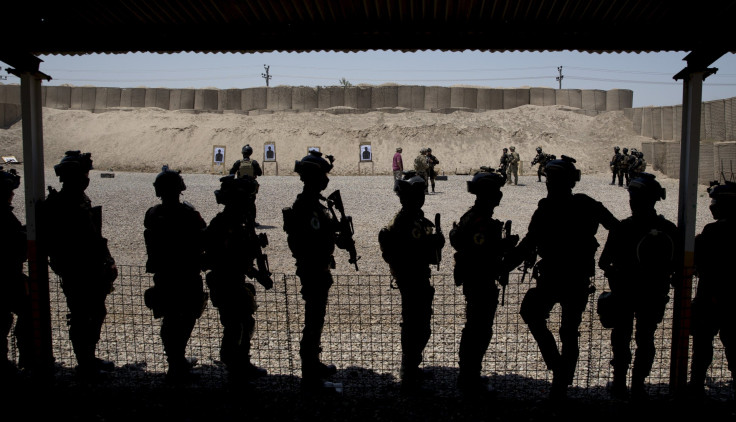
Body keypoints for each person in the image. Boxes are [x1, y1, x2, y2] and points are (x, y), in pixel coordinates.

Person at [505, 155, 618, 400]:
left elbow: (528, 244)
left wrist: (504, 265)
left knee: (537, 316)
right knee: (568, 330)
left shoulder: (547, 208)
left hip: (555, 277)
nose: (548, 184)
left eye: (551, 180)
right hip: (575, 278)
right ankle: (561, 377)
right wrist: (605, 259)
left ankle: (559, 372)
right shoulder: (586, 204)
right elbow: (616, 228)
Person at [598, 173, 679, 400]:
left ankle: (620, 384)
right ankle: (638, 385)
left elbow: (603, 262)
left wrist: (616, 273)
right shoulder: (668, 229)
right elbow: (675, 264)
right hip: (653, 294)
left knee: (621, 337)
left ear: (633, 200)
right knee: (646, 339)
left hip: (625, 293)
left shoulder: (623, 228)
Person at [41, 151, 118, 381]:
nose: (86, 178)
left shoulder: (75, 199)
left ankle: (88, 358)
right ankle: (85, 364)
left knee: (93, 314)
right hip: (78, 270)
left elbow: (94, 237)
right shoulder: (65, 203)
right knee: (83, 317)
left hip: (88, 268)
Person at [283, 150, 354, 387]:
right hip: (313, 269)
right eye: (323, 174)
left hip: (318, 268)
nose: (326, 179)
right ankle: (310, 373)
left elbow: (327, 233)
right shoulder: (306, 206)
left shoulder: (315, 203)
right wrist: (333, 234)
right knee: (313, 320)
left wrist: (341, 235)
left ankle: (313, 362)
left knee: (317, 318)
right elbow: (311, 239)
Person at [449, 169, 518, 394]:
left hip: (479, 281)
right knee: (477, 330)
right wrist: (504, 247)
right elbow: (480, 254)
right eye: (496, 192)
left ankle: (469, 375)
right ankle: (469, 379)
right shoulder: (479, 221)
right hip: (480, 282)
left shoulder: (477, 217)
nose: (499, 196)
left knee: (477, 329)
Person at [378, 170, 445, 392]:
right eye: (417, 194)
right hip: (412, 279)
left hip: (416, 278)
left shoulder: (413, 218)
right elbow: (410, 252)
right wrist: (433, 243)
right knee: (416, 325)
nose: (421, 198)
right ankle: (408, 373)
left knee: (419, 324)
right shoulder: (405, 222)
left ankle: (411, 368)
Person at [204, 174, 272, 384]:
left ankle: (241, 362)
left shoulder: (239, 223)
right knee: (235, 325)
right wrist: (254, 271)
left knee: (245, 322)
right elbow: (227, 257)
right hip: (225, 280)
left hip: (235, 279)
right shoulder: (224, 224)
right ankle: (234, 366)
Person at [143, 165, 208, 383]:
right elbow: (202, 239)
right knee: (185, 317)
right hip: (186, 275)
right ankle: (177, 363)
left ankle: (175, 360)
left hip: (164, 275)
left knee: (171, 318)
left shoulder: (152, 214)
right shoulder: (188, 214)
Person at [688, 180, 736, 398]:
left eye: (716, 201)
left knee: (702, 346)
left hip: (710, 297)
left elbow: (698, 261)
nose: (712, 206)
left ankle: (696, 385)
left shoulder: (713, 231)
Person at [0, 167, 31, 378]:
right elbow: (16, 247)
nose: (12, 195)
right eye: (9, 191)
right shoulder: (3, 217)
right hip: (6, 278)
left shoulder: (5, 215)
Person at [230, 144, 263, 225]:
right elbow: (260, 173)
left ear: (243, 153)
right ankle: (252, 221)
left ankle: (240, 220)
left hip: (240, 185)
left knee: (239, 203)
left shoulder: (238, 162)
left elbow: (231, 172)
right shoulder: (254, 162)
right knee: (251, 204)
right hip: (250, 186)